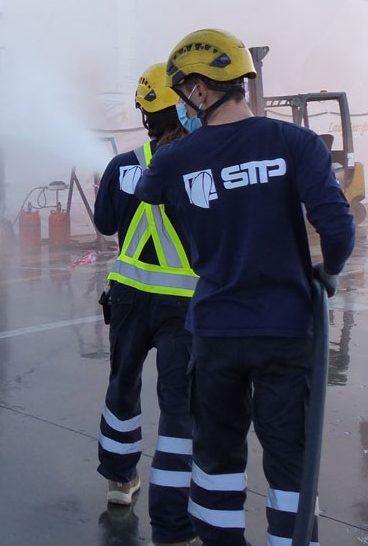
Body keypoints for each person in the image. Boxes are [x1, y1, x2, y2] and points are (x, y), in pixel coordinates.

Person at [135, 29, 355, 545]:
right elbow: (339, 228)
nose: (181, 105)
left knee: (216, 459)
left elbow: (150, 195)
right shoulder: (295, 143)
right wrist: (327, 273)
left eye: (181, 92)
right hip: (287, 329)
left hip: (215, 332)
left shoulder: (175, 160)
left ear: (200, 90)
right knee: (290, 460)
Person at [94, 63, 199, 546]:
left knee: (123, 385)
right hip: (184, 305)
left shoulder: (122, 166)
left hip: (129, 298)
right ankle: (175, 496)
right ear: (180, 103)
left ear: (143, 112)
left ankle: (120, 482)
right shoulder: (200, 162)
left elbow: (103, 224)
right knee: (179, 403)